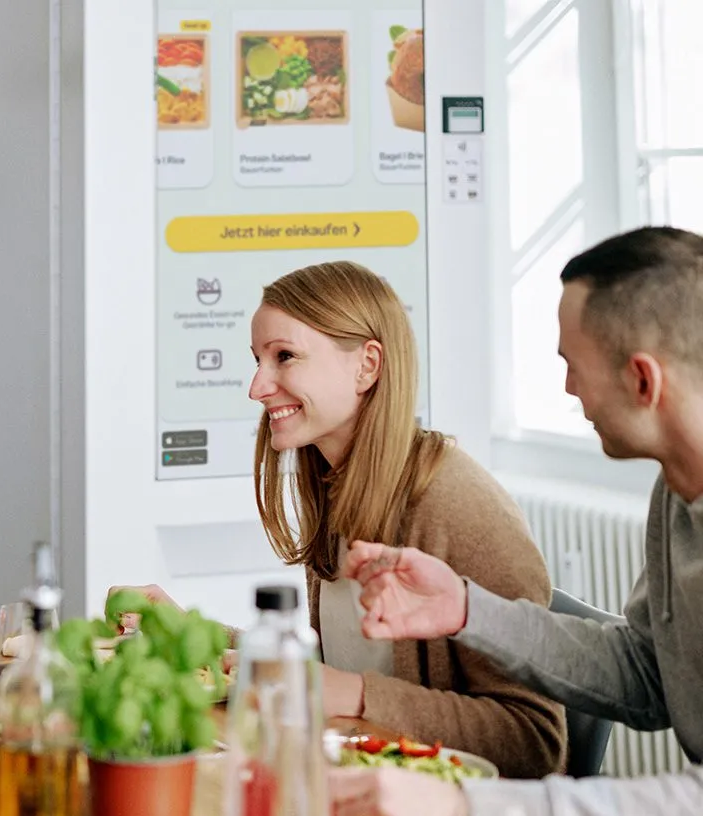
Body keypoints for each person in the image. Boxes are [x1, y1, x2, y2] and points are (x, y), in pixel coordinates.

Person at [333, 226, 702, 816]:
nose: (567, 391)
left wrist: (474, 815)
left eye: (572, 367)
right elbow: (650, 675)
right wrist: (468, 610)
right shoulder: (675, 492)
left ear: (643, 381)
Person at [114, 261, 564, 778]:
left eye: (284, 357)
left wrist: (351, 693)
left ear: (367, 365)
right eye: (259, 359)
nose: (257, 386)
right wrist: (191, 634)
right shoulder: (334, 483)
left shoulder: (456, 506)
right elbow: (329, 676)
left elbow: (535, 741)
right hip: (356, 793)